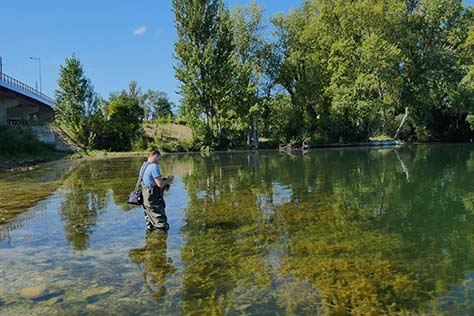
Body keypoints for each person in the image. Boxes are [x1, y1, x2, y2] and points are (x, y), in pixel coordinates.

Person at [139, 150, 174, 231]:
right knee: (162, 224)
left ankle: (151, 241)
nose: (159, 161)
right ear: (155, 156)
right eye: (159, 159)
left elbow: (149, 181)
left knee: (150, 224)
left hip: (145, 200)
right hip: (153, 199)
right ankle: (160, 241)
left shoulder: (143, 166)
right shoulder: (153, 167)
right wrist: (169, 179)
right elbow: (160, 184)